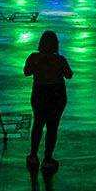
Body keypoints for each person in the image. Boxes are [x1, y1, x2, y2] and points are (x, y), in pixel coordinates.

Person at [23, 30, 73, 173]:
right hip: (57, 94)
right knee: (53, 126)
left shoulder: (34, 57)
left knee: (38, 123)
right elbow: (69, 75)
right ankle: (47, 158)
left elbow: (26, 72)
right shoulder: (60, 60)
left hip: (39, 92)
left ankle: (33, 155)